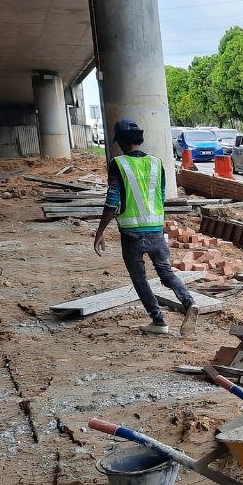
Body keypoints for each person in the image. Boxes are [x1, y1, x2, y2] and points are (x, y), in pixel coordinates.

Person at [93, 119, 198, 336]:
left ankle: (159, 321)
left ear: (121, 142)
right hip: (156, 229)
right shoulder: (157, 163)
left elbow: (112, 201)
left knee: (139, 278)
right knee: (166, 272)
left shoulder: (118, 163)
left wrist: (100, 231)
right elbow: (160, 196)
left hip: (131, 233)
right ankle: (189, 302)